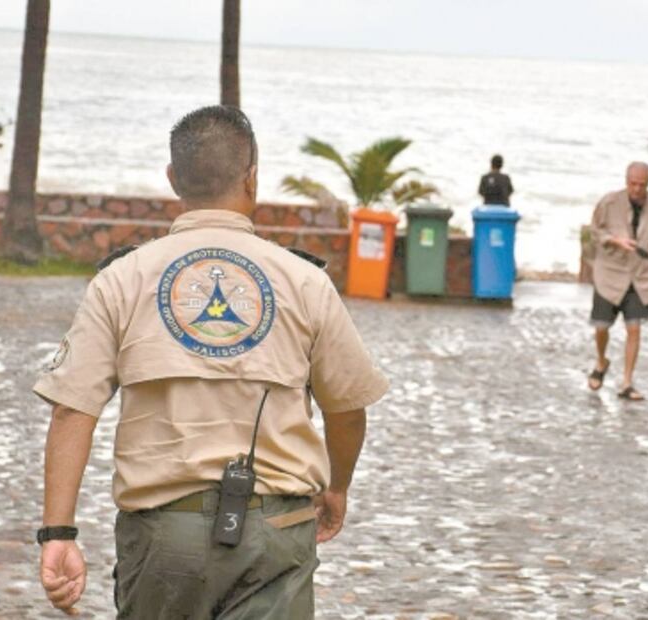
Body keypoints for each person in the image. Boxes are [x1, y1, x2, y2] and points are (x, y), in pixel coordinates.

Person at [34, 105, 388, 618]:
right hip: (275, 531)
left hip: (162, 535)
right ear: (252, 178)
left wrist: (58, 532)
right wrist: (336, 487)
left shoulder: (122, 279)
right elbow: (347, 408)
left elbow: (72, 409)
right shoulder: (304, 281)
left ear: (173, 179)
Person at [587, 162, 648, 401]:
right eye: (633, 184)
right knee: (602, 327)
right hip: (609, 273)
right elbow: (595, 232)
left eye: (642, 185)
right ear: (626, 180)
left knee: (634, 327)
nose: (637, 189)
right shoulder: (609, 202)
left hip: (639, 276)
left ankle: (627, 382)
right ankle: (601, 362)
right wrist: (614, 240)